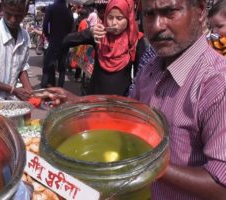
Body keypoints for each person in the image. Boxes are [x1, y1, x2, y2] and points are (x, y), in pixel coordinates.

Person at [41, 0, 226, 199]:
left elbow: (220, 185)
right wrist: (79, 105)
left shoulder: (217, 85)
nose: (157, 26)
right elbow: (128, 116)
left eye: (170, 12)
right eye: (149, 14)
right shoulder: (152, 67)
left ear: (199, 11)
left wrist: (145, 163)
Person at [62, 0, 145, 96]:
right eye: (110, 17)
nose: (113, 23)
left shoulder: (136, 40)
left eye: (119, 18)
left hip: (120, 102)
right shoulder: (99, 35)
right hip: (95, 99)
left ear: (128, 18)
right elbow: (66, 41)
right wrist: (89, 32)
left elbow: (140, 78)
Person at [41, 0, 74, 88]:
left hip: (53, 41)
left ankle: (45, 89)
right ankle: (60, 90)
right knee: (62, 69)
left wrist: (48, 36)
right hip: (65, 43)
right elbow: (71, 29)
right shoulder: (69, 12)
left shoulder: (50, 8)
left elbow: (45, 26)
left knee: (47, 67)